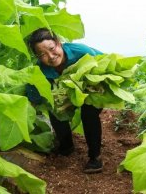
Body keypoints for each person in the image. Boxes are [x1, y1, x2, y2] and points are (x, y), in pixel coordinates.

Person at [26, 28, 103, 174]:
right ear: (37, 56)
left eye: (52, 49)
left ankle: (95, 158)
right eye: (42, 54)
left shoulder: (82, 52)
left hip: (92, 90)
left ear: (58, 43)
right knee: (54, 108)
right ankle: (66, 146)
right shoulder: (39, 70)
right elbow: (33, 98)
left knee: (89, 112)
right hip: (66, 93)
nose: (51, 56)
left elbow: (102, 72)